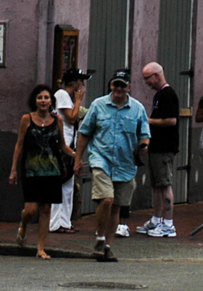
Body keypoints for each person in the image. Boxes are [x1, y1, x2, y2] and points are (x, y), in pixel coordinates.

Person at [74, 69, 151, 263]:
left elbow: (144, 133)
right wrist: (77, 159)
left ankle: (107, 246)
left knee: (117, 206)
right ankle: (100, 238)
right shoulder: (98, 105)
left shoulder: (137, 108)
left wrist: (144, 146)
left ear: (129, 88)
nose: (118, 88)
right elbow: (84, 133)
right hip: (102, 159)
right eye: (115, 84)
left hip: (125, 163)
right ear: (111, 86)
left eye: (122, 85)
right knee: (106, 199)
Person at [9, 84, 74, 260]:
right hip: (31, 170)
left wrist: (77, 155)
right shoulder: (27, 119)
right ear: (35, 101)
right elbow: (19, 145)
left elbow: (62, 145)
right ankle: (23, 225)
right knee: (30, 210)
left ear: (51, 101)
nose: (43, 101)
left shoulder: (57, 120)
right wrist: (13, 169)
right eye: (40, 98)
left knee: (46, 209)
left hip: (52, 170)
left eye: (46, 97)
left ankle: (41, 248)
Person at [137, 63, 180, 237]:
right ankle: (156, 219)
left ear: (156, 75)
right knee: (156, 185)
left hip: (165, 147)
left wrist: (148, 121)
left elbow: (171, 121)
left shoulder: (168, 94)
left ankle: (168, 224)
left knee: (164, 184)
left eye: (147, 78)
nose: (146, 82)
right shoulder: (159, 95)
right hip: (156, 146)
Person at [50, 68, 90, 233]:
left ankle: (64, 222)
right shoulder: (62, 95)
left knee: (68, 184)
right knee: (60, 183)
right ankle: (55, 223)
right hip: (62, 143)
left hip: (70, 143)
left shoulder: (69, 98)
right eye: (81, 82)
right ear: (74, 83)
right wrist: (79, 100)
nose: (83, 85)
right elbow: (71, 118)